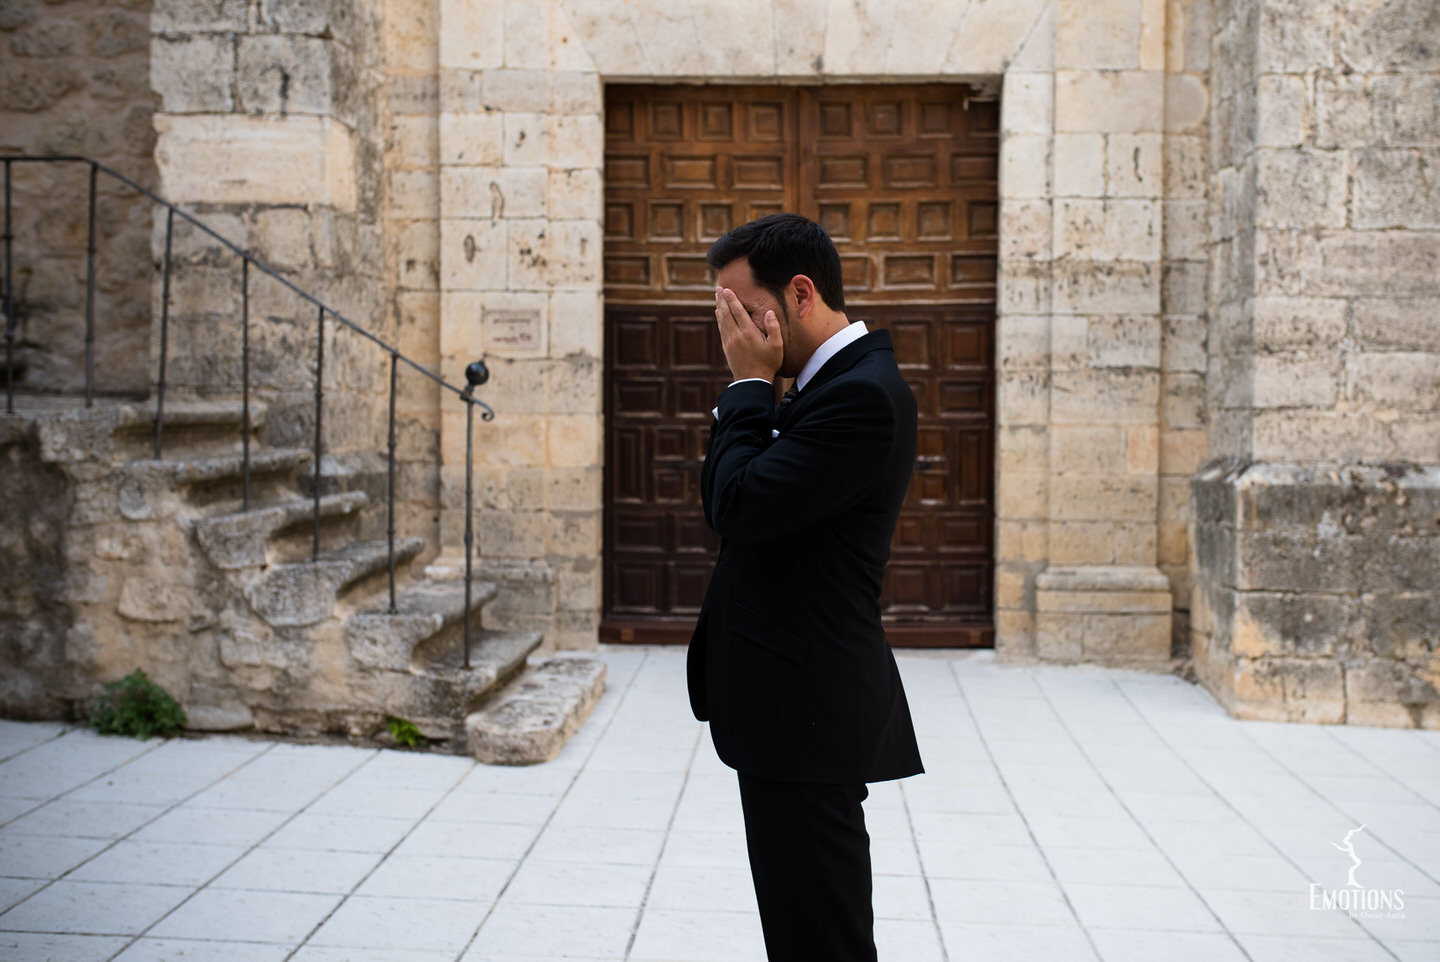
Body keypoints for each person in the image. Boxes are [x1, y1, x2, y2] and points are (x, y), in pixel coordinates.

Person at [686, 213, 924, 962]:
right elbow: (732, 498)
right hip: (788, 713)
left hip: (807, 714)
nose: (732, 331)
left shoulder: (862, 396)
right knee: (803, 933)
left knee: (822, 941)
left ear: (799, 293)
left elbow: (736, 504)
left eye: (742, 309)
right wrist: (754, 393)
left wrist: (747, 386)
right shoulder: (824, 387)